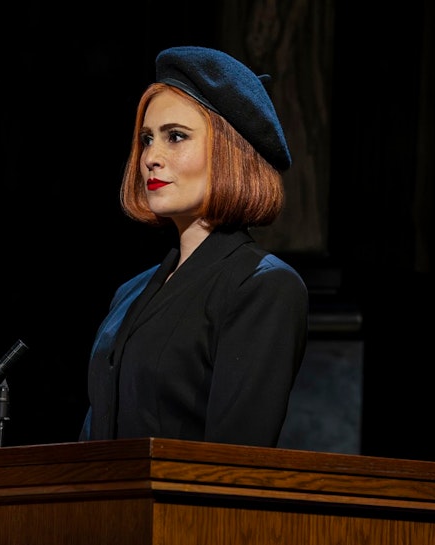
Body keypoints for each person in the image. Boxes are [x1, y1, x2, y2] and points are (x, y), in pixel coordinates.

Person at [80, 46, 309, 446]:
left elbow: (235, 458)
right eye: (147, 139)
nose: (151, 156)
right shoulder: (129, 293)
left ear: (228, 152)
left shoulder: (262, 287)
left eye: (176, 137)